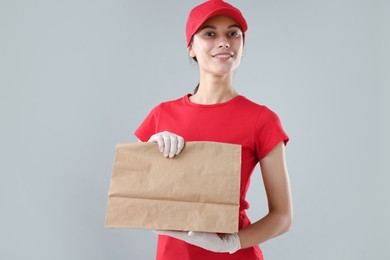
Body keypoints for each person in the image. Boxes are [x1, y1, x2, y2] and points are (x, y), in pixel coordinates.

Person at [135, 0, 293, 259]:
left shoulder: (262, 119)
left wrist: (231, 242)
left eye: (233, 33)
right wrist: (150, 153)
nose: (224, 42)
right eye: (209, 33)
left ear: (243, 46)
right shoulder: (161, 116)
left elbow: (282, 216)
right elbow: (137, 203)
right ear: (191, 48)